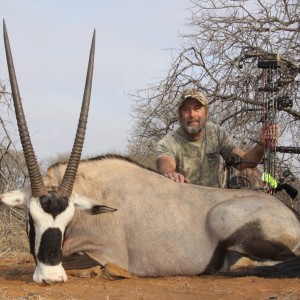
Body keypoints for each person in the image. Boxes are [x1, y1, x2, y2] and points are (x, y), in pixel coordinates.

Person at [156, 89, 278, 188]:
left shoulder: (216, 133)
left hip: (213, 202)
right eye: (186, 110)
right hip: (184, 203)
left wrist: (262, 144)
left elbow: (243, 162)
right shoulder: (168, 141)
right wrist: (170, 174)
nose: (192, 114)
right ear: (180, 115)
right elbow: (165, 163)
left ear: (206, 113)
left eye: (197, 109)